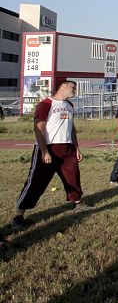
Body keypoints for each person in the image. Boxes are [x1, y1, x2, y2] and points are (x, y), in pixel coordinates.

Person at [12, 80, 93, 228]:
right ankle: (19, 215)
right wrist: (44, 151)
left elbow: (71, 127)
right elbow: (39, 128)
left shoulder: (69, 105)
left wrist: (76, 147)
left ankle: (78, 204)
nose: (75, 90)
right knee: (36, 181)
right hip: (49, 148)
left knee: (73, 177)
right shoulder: (45, 104)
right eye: (73, 88)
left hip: (67, 147)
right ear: (63, 87)